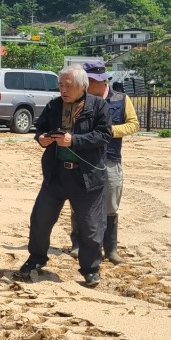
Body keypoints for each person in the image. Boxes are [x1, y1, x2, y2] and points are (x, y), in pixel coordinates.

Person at [15, 64, 110, 287]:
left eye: (68, 86)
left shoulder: (99, 106)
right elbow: (40, 128)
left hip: (86, 177)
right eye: (60, 85)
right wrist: (42, 138)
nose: (63, 90)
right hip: (56, 174)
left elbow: (104, 135)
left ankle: (90, 269)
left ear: (82, 86)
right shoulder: (54, 105)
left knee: (91, 226)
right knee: (40, 218)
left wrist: (74, 140)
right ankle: (36, 258)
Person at [68, 60, 139, 265]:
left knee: (110, 205)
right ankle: (78, 245)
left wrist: (109, 131)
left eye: (90, 81)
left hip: (110, 159)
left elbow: (133, 124)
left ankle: (110, 249)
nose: (87, 85)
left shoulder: (121, 99)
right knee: (79, 203)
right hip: (83, 158)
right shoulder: (78, 100)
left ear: (102, 80)